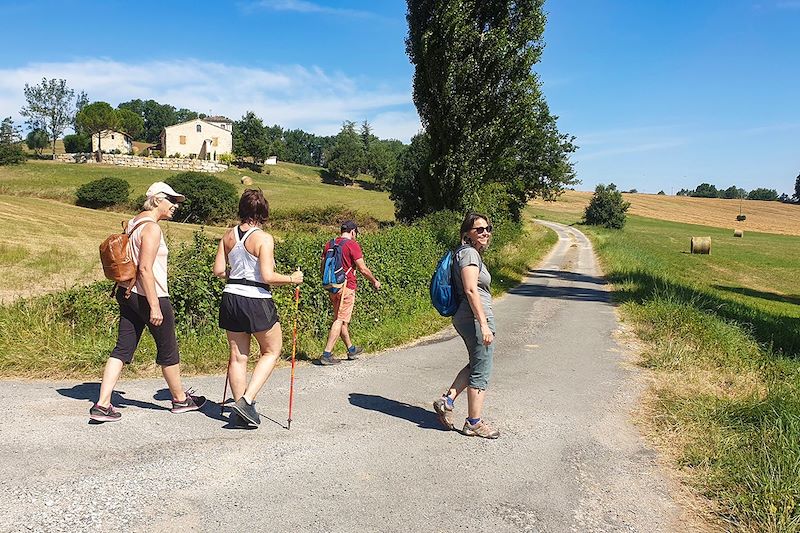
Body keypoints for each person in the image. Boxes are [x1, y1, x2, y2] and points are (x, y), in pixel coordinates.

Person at [90, 182, 206, 422]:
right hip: (150, 295)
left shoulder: (134, 222)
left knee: (122, 348)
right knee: (168, 349)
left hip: (127, 292)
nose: (175, 206)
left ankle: (102, 404)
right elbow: (144, 268)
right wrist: (154, 305)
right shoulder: (152, 229)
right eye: (171, 201)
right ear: (157, 200)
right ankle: (180, 399)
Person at [213, 188, 303, 426]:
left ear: (242, 209)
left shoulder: (227, 236)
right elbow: (268, 276)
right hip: (256, 298)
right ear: (263, 212)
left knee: (237, 356)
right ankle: (248, 400)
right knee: (272, 350)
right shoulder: (263, 238)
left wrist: (237, 273)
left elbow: (219, 271)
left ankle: (241, 406)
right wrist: (293, 278)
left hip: (231, 296)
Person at [432, 212, 500, 439]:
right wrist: (484, 324)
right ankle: (474, 422)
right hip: (474, 317)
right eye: (479, 229)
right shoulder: (469, 254)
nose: (485, 233)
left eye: (487, 228)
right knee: (482, 369)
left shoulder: (465, 253)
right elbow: (471, 290)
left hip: (466, 316)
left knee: (475, 363)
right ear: (467, 234)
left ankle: (447, 400)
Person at [318, 220, 380, 365]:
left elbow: (322, 266)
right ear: (353, 231)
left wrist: (330, 281)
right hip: (347, 287)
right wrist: (374, 281)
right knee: (339, 320)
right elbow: (363, 269)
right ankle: (327, 354)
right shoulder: (352, 244)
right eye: (355, 233)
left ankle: (351, 349)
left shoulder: (330, 243)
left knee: (341, 319)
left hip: (332, 286)